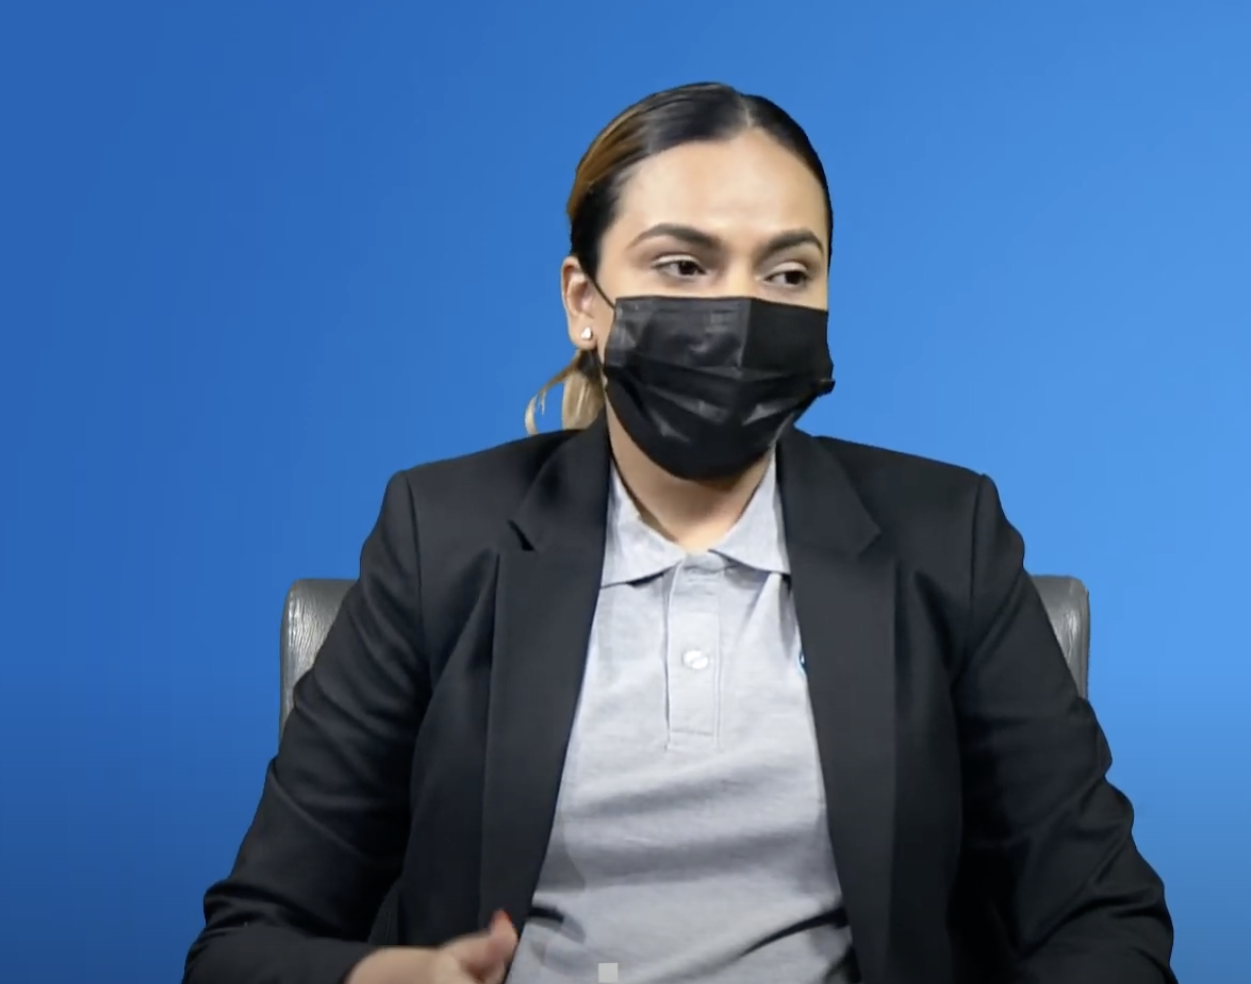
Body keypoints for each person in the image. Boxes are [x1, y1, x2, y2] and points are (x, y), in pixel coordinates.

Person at [183, 82, 1176, 984]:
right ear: (585, 303)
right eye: (684, 265)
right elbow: (245, 944)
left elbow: (1105, 923)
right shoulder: (437, 536)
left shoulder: (946, 536)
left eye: (788, 273)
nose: (739, 311)